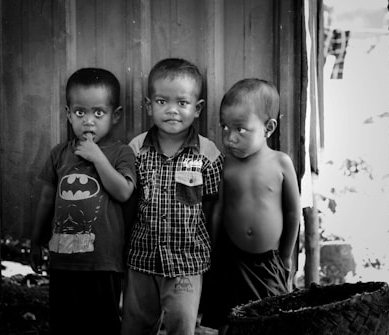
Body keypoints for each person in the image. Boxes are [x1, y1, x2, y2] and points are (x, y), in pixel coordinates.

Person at [30, 68, 136, 335]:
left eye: (98, 113)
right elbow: (45, 199)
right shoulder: (60, 154)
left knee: (103, 325)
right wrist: (35, 239)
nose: (88, 121)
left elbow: (124, 192)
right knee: (65, 324)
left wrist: (96, 156)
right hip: (63, 260)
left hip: (103, 262)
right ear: (68, 114)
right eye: (80, 113)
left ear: (116, 115)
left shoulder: (121, 153)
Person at [121, 58, 223, 335]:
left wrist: (210, 251)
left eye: (182, 103)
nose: (171, 111)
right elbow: (129, 202)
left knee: (182, 326)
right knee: (135, 326)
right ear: (148, 105)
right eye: (162, 101)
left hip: (187, 262)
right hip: (141, 257)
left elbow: (213, 206)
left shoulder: (208, 153)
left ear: (197, 108)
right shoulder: (137, 149)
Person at [202, 78, 301, 334]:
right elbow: (219, 211)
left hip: (267, 262)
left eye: (240, 129)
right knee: (227, 319)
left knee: (270, 320)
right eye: (224, 127)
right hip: (229, 258)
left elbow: (292, 214)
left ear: (268, 127)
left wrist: (286, 256)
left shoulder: (281, 163)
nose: (229, 138)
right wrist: (212, 252)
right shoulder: (225, 164)